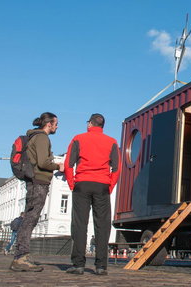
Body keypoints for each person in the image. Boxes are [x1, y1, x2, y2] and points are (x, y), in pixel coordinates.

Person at [64, 113, 121, 276]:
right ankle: (101, 266)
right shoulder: (112, 142)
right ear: (102, 126)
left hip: (82, 183)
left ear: (90, 124)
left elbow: (69, 164)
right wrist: (109, 186)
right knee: (102, 225)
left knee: (79, 224)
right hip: (102, 185)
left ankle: (78, 264)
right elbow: (116, 168)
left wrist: (72, 183)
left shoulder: (78, 138)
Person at [10, 112, 64, 272]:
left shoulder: (34, 136)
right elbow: (43, 162)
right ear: (49, 124)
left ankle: (21, 256)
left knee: (29, 217)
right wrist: (58, 166)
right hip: (38, 181)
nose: (57, 126)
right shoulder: (42, 138)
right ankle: (21, 257)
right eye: (56, 123)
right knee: (30, 219)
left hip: (34, 181)